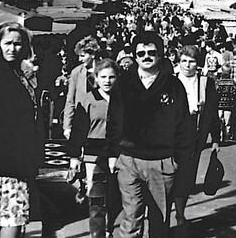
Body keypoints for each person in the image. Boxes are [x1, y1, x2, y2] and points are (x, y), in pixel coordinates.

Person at [107, 31, 192, 238]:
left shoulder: (173, 86)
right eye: (141, 53)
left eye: (151, 52)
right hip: (129, 161)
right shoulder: (123, 83)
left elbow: (183, 125)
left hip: (161, 162)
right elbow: (114, 120)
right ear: (134, 56)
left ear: (160, 54)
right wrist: (112, 154)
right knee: (131, 217)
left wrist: (180, 159)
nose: (146, 56)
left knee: (160, 220)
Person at [0, 22, 45, 238]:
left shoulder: (12, 71)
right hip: (9, 160)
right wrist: (23, 159)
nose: (12, 48)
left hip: (0, 160)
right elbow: (1, 122)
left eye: (17, 44)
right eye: (8, 43)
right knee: (12, 216)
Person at [68, 59, 122, 238]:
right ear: (96, 78)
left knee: (116, 198)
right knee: (97, 200)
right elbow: (79, 129)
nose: (107, 81)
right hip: (94, 156)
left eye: (111, 77)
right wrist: (74, 157)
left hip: (118, 155)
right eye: (103, 77)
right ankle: (97, 234)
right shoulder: (88, 99)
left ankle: (110, 228)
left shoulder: (122, 100)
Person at [171, 45, 220, 233]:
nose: (187, 65)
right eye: (183, 61)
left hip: (195, 134)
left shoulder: (206, 83)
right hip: (172, 135)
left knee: (187, 177)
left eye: (191, 61)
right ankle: (167, 213)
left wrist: (216, 138)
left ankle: (180, 214)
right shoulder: (171, 80)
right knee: (169, 176)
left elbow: (212, 112)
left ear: (197, 64)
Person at [63, 36, 101, 140]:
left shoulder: (105, 70)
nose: (80, 59)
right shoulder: (76, 72)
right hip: (82, 121)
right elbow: (70, 100)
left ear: (92, 54)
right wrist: (67, 126)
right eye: (79, 56)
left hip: (101, 123)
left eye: (83, 56)